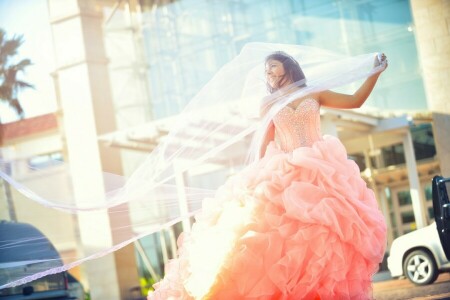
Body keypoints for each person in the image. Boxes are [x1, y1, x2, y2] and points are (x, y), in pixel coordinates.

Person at [148, 50, 388, 299]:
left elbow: (355, 100)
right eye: (266, 70)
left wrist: (375, 73)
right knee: (282, 239)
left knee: (325, 235)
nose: (269, 72)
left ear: (287, 67)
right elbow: (264, 143)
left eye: (272, 66)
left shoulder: (314, 92)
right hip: (285, 173)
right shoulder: (268, 103)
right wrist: (255, 178)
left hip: (322, 169)